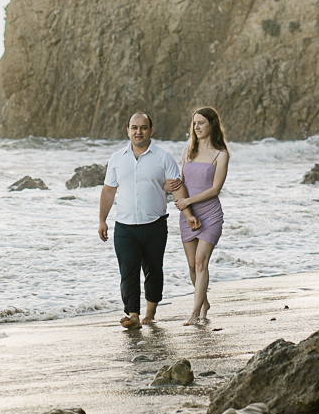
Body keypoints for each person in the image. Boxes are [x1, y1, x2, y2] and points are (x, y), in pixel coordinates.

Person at [98, 112, 199, 329]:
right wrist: (102, 220)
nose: (139, 131)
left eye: (143, 127)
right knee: (128, 271)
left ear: (151, 131)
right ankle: (133, 315)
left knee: (153, 269)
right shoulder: (117, 158)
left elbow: (177, 187)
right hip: (125, 227)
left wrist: (188, 214)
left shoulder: (163, 157)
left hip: (155, 225)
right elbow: (108, 190)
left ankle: (150, 313)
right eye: (134, 127)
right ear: (128, 131)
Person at [175, 106, 229, 326]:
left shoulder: (221, 155)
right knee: (191, 265)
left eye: (201, 123)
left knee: (200, 262)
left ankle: (195, 313)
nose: (196, 127)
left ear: (212, 125)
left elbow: (215, 189)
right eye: (194, 123)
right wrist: (185, 208)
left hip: (210, 214)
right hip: (188, 216)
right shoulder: (187, 152)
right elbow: (180, 184)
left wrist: (189, 201)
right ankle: (204, 302)